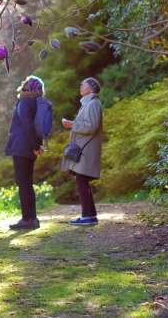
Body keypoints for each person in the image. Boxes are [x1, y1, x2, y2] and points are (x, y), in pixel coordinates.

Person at [60, 77, 104, 226]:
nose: (80, 86)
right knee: (81, 180)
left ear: (90, 88)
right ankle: (89, 215)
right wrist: (73, 125)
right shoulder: (88, 104)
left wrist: (72, 124)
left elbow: (91, 127)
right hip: (84, 148)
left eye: (83, 84)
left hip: (87, 148)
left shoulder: (93, 104)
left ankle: (88, 216)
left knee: (81, 180)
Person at [3, 75, 45, 230]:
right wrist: (38, 145)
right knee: (28, 183)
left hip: (22, 147)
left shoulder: (24, 102)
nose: (22, 85)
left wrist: (35, 146)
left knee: (23, 184)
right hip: (30, 147)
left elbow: (27, 126)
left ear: (27, 88)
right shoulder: (37, 103)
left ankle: (27, 219)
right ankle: (32, 218)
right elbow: (37, 127)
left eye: (25, 83)